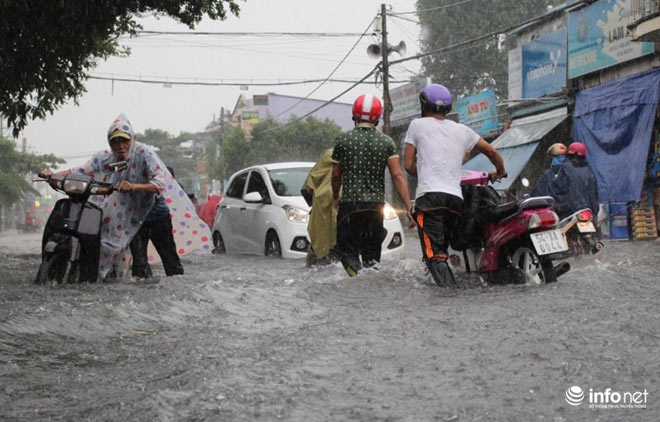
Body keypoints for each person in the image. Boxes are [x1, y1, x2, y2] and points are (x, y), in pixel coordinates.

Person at [40, 114, 211, 281]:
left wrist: (134, 186)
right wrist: (52, 175)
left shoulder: (144, 154)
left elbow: (160, 183)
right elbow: (81, 171)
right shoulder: (106, 158)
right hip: (130, 218)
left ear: (132, 139)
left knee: (170, 261)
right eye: (115, 141)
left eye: (124, 140)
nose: (120, 146)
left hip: (155, 214)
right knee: (139, 265)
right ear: (109, 142)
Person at [403, 83, 506, 288]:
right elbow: (492, 152)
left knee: (436, 256)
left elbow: (407, 165)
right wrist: (500, 171)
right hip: (455, 202)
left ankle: (450, 296)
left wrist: (422, 171)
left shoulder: (416, 125)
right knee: (445, 250)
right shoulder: (462, 130)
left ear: (424, 105)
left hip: (429, 200)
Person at [331, 94, 414, 276]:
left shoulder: (343, 141)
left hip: (350, 207)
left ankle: (354, 278)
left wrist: (336, 197)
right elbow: (397, 175)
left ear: (355, 115)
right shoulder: (386, 142)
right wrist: (409, 206)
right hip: (375, 208)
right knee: (372, 259)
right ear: (377, 118)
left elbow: (336, 176)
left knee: (348, 252)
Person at [128, 164, 184, 281]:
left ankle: (178, 286)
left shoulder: (154, 169)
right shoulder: (126, 170)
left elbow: (160, 184)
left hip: (159, 218)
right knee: (139, 262)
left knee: (170, 257)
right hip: (136, 221)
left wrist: (133, 186)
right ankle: (143, 290)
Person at [301, 148, 338, 267]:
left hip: (321, 213)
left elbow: (307, 188)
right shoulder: (350, 176)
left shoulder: (325, 159)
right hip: (343, 213)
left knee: (318, 243)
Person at [550, 141, 599, 219]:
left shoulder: (565, 167)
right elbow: (594, 193)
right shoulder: (588, 169)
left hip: (570, 212)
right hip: (589, 211)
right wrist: (594, 211)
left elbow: (557, 189)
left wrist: (558, 207)